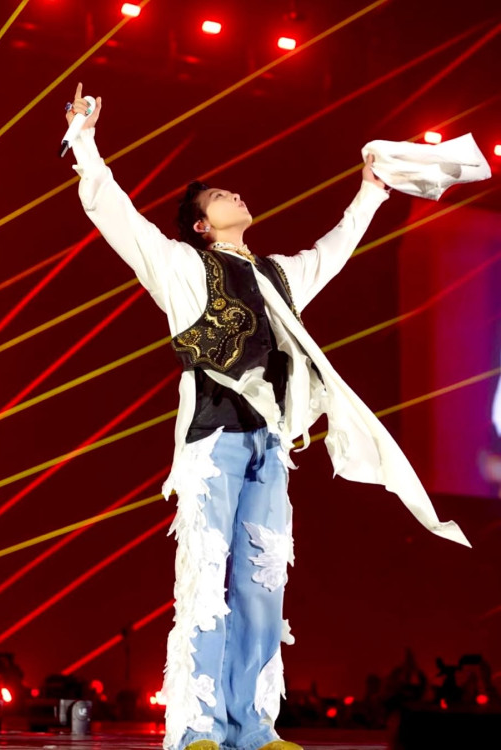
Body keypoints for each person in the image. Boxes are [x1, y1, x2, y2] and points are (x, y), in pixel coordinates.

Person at [65, 83, 468, 750]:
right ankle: (197, 727)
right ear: (201, 224)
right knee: (205, 581)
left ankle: (253, 728)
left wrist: (370, 192)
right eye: (219, 197)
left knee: (262, 585)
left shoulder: (280, 277)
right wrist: (83, 140)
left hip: (270, 446)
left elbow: (332, 252)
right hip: (212, 440)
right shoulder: (182, 267)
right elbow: (118, 215)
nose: (235, 195)